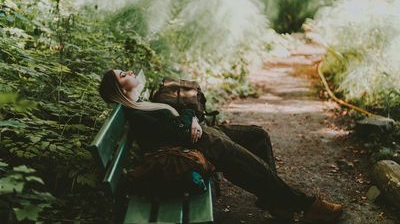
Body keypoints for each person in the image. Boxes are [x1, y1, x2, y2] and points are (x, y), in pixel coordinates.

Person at [98, 68, 344, 223]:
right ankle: (306, 205)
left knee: (257, 135)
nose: (129, 72)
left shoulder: (141, 104)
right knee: (250, 166)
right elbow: (178, 132)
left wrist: (191, 117)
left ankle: (275, 200)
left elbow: (180, 121)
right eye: (123, 75)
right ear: (119, 90)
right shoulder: (136, 114)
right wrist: (188, 118)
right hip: (203, 144)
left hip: (204, 134)